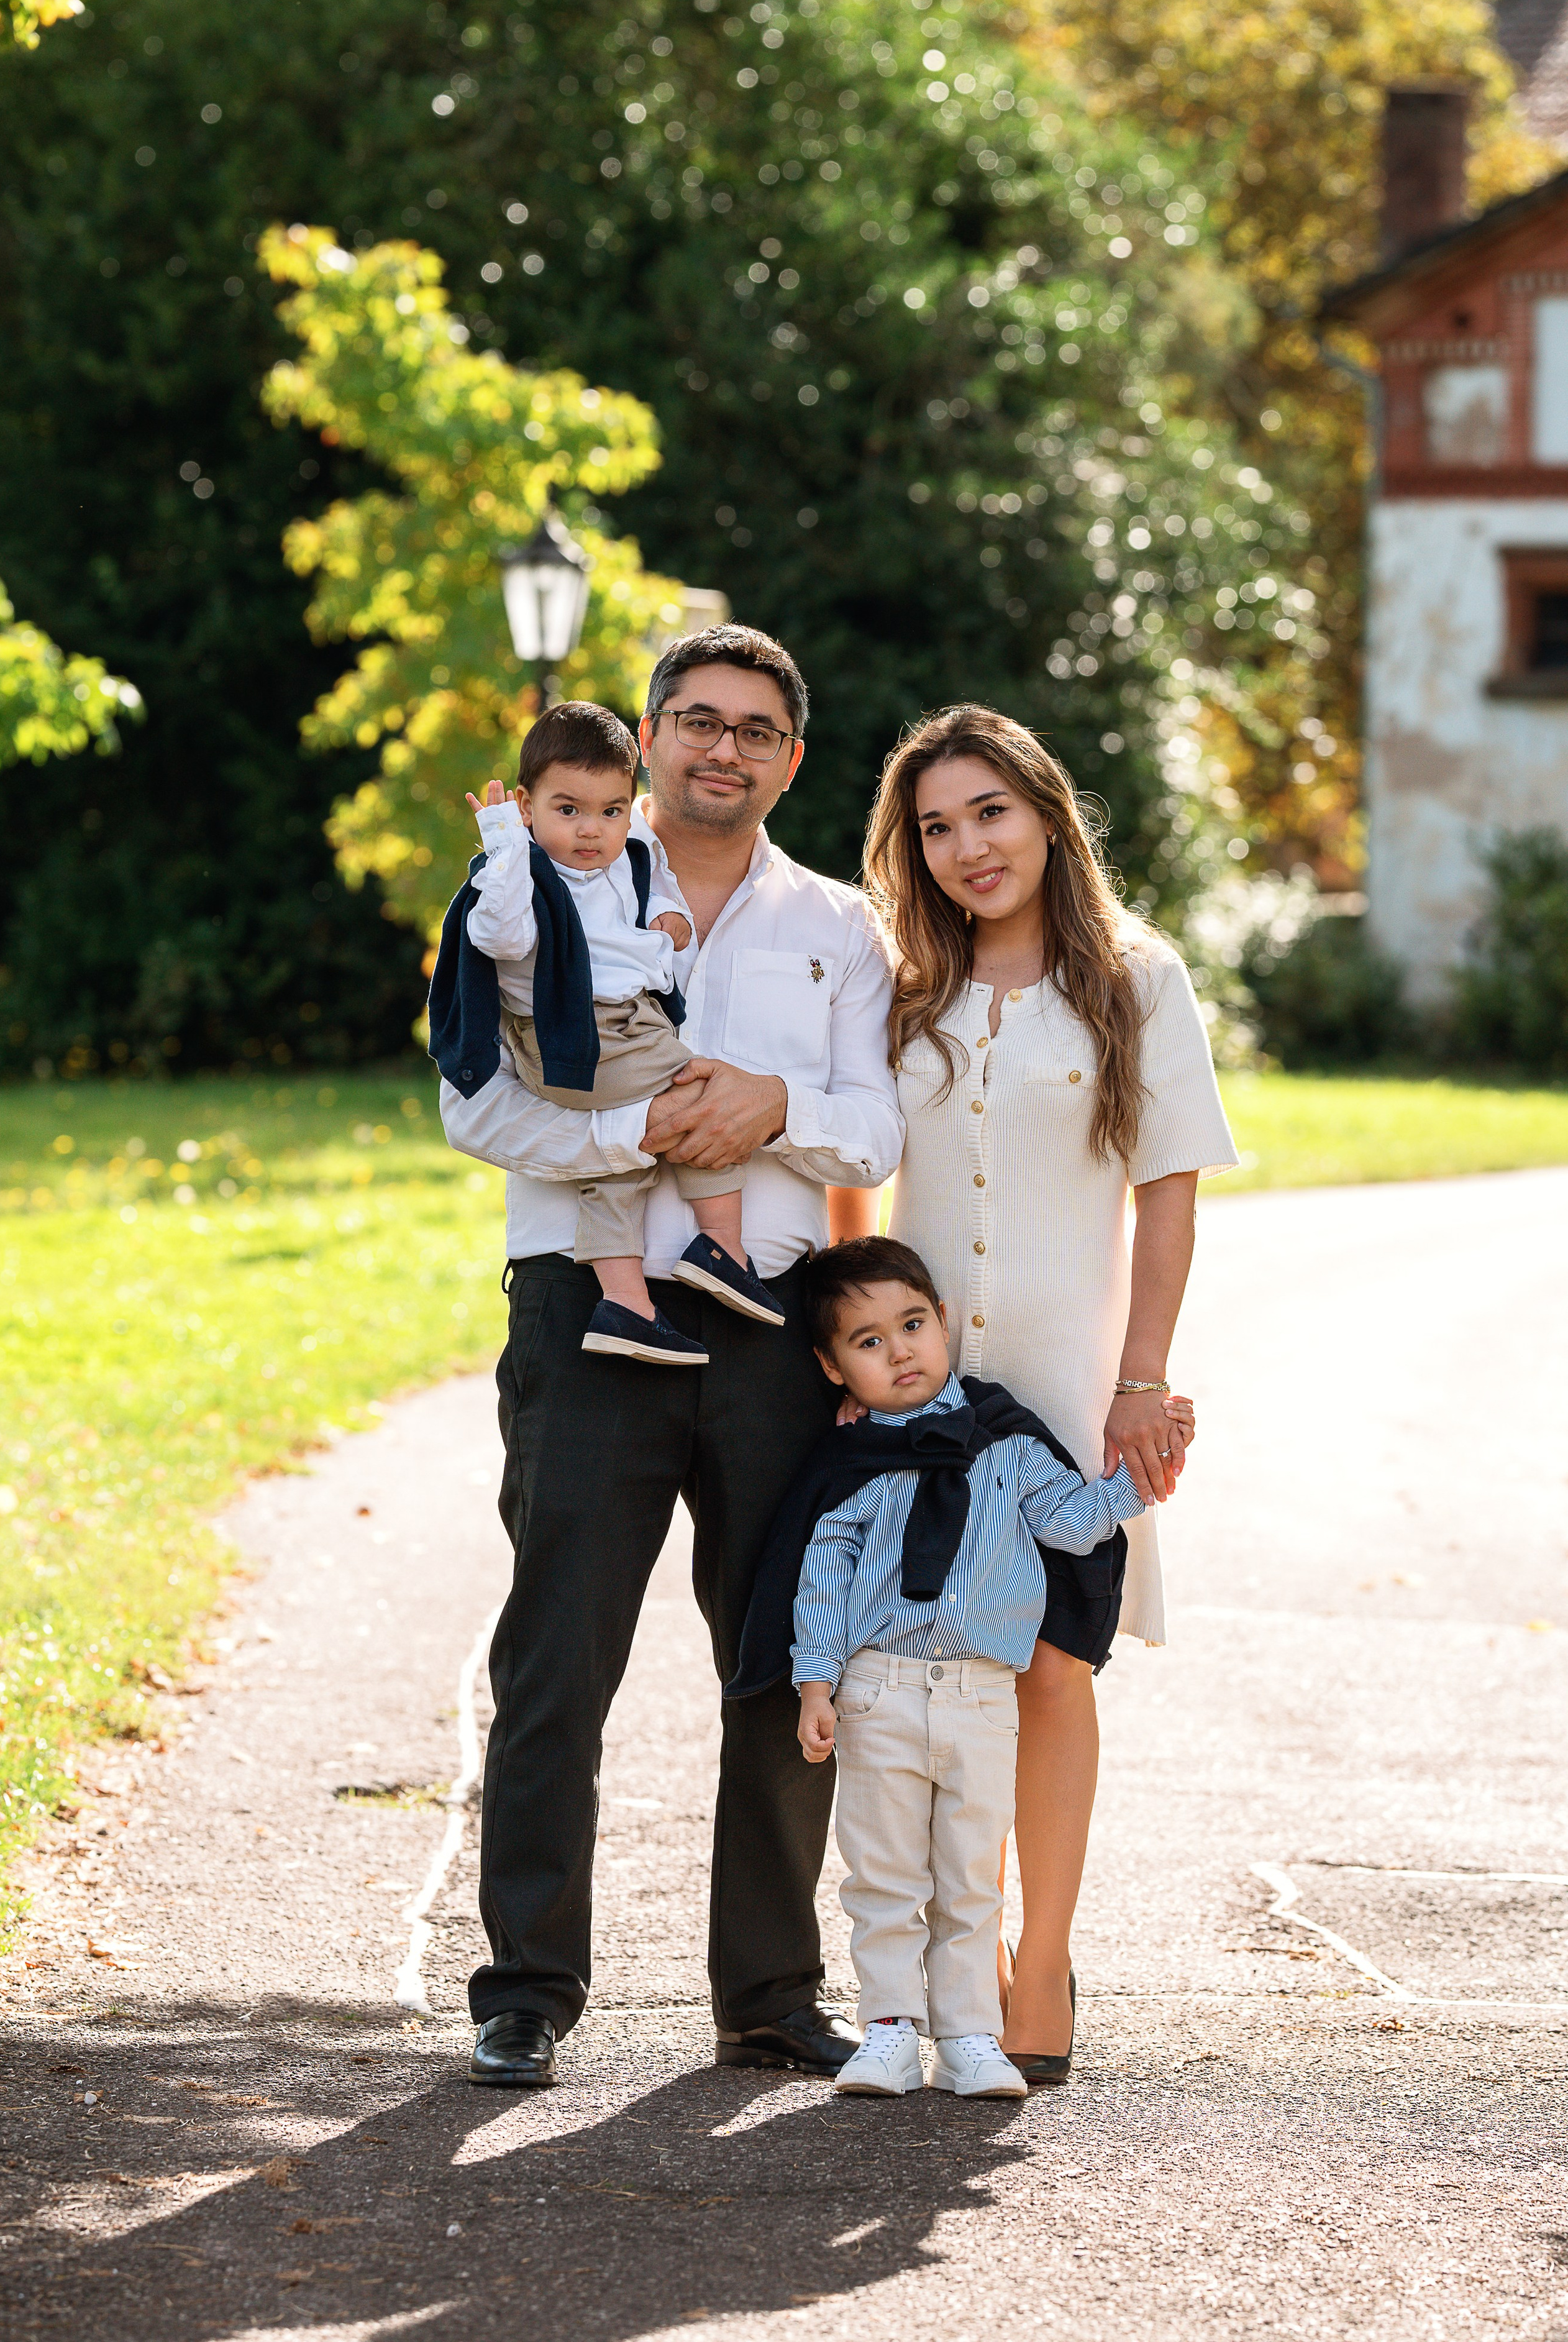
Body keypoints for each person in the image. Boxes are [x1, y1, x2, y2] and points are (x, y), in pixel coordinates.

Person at [436, 624, 903, 2088]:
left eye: (753, 729)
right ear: (644, 738)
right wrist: (628, 1135)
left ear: (790, 761)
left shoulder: (838, 924)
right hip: (584, 1316)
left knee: (778, 1659)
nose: (722, 747)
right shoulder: (527, 886)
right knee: (557, 1651)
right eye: (694, 719)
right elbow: (470, 1107)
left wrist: (767, 1108)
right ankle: (524, 1988)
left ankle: (767, 1993)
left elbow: (875, 1126)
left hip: (772, 1328)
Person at [863, 704, 1238, 2081]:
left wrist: (1140, 1379)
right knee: (919, 1676)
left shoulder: (1135, 982)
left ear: (1044, 811)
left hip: (1066, 1389)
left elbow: (1167, 1194)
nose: (966, 847)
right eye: (935, 827)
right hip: (916, 1393)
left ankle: (1039, 1961)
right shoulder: (902, 986)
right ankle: (944, 1964)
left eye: (989, 813)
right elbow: (855, 1169)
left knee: (1046, 1666)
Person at [783, 1237, 1151, 2098]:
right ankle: (887, 2032)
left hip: (984, 1697)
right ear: (832, 1367)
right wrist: (814, 1682)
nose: (900, 1349)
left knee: (969, 1874)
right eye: (868, 1342)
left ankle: (972, 2037)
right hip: (877, 1693)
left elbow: (1074, 1522)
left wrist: (1145, 1476)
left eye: (912, 1325)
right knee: (882, 1875)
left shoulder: (1010, 1447)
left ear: (943, 1322)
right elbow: (824, 1578)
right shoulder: (853, 1467)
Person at [458, 698, 788, 1364]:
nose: (590, 830)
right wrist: (503, 853)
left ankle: (625, 1305)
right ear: (526, 805)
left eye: (610, 810)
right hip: (578, 1030)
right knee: (703, 1099)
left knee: (620, 1171)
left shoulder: (627, 855)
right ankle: (722, 1249)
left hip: (618, 1025)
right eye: (568, 810)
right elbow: (497, 936)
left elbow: (649, 889)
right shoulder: (524, 874)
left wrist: (668, 921)